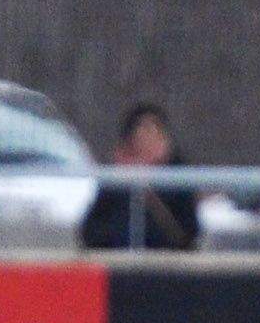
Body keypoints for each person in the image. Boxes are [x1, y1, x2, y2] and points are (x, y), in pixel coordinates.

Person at [76, 101, 199, 253]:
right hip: (118, 263)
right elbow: (91, 231)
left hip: (165, 265)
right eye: (142, 128)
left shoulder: (177, 175)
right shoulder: (116, 176)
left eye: (154, 129)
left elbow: (188, 232)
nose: (148, 135)